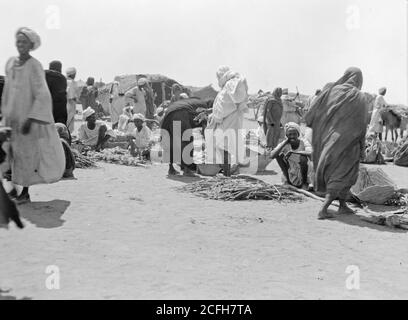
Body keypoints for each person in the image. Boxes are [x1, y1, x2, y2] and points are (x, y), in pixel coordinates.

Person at [1, 27, 65, 204]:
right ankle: (14, 188)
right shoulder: (11, 63)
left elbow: (42, 93)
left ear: (30, 45)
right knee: (11, 153)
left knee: (27, 155)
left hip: (28, 119)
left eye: (24, 42)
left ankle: (25, 192)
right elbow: (8, 91)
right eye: (18, 41)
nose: (20, 45)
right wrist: (5, 114)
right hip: (12, 117)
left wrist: (31, 118)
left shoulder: (34, 65)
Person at [304, 67, 368, 220]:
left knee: (340, 173)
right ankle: (324, 209)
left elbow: (315, 111)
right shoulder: (359, 97)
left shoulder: (332, 90)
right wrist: (362, 147)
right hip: (349, 144)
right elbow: (362, 125)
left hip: (329, 140)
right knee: (343, 174)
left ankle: (342, 205)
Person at [205, 66, 249, 176]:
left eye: (218, 77)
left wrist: (216, 116)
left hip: (229, 120)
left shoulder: (230, 84)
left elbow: (225, 106)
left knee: (222, 145)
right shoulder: (230, 84)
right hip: (231, 119)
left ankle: (227, 173)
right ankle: (227, 171)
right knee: (225, 146)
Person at [161, 98, 213, 176]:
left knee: (171, 141)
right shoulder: (205, 108)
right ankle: (187, 169)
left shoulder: (196, 102)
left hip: (169, 113)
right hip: (180, 113)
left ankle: (171, 168)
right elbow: (205, 129)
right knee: (187, 140)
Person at [269, 122, 312, 190]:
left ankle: (304, 183)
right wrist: (284, 143)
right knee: (279, 155)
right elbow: (272, 155)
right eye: (289, 134)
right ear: (286, 135)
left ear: (298, 134)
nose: (292, 136)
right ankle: (288, 181)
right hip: (291, 169)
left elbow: (310, 153)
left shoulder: (303, 142)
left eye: (294, 134)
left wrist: (294, 152)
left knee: (303, 158)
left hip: (304, 169)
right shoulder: (285, 143)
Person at [45, 60, 68, 125]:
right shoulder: (61, 77)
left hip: (44, 108)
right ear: (60, 68)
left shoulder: (43, 75)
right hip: (58, 110)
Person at [66, 67, 79, 133]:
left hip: (68, 103)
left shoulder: (66, 81)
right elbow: (70, 96)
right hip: (70, 104)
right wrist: (76, 99)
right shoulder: (71, 82)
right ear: (72, 74)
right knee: (69, 120)